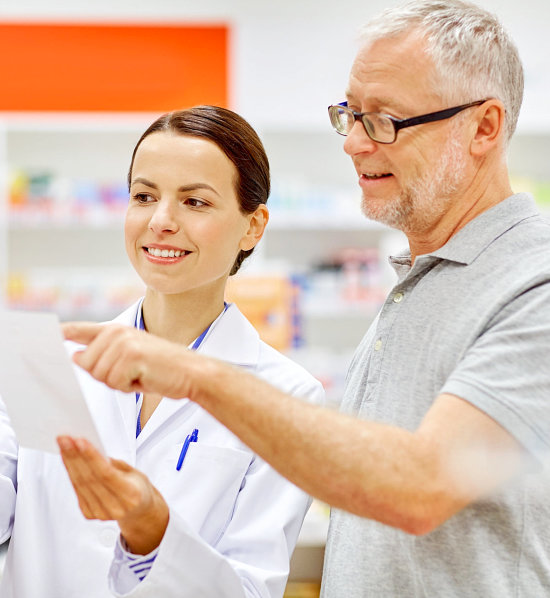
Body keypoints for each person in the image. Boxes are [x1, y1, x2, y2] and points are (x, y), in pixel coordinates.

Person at [62, 1, 550, 596]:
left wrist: (195, 374)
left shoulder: (534, 285)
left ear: (483, 127)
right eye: (352, 115)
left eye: (385, 120)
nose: (354, 145)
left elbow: (424, 486)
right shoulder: (418, 286)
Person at [0, 105, 325, 597]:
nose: (161, 221)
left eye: (195, 202)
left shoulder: (287, 397)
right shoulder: (49, 361)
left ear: (253, 226)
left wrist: (151, 530)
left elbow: (249, 590)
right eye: (143, 196)